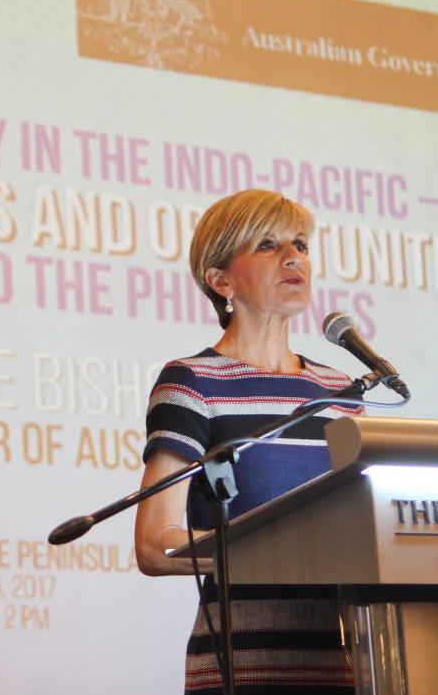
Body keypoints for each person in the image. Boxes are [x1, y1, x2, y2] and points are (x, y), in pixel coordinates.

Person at [134, 189, 361, 694]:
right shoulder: (193, 383)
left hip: (351, 666)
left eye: (300, 244)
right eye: (266, 245)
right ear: (219, 280)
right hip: (245, 667)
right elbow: (154, 544)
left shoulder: (339, 395)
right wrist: (279, 552)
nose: (293, 258)